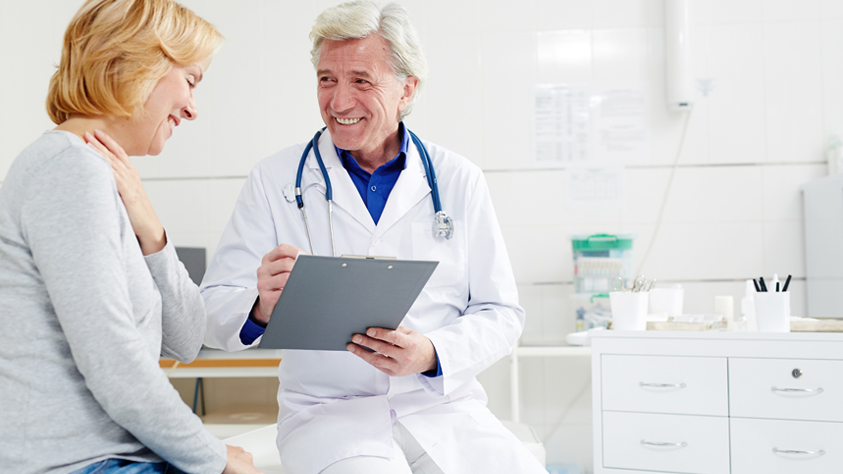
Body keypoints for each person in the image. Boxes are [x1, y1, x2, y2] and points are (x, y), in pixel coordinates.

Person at [200, 1, 547, 473]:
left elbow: (502, 313)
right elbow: (213, 308)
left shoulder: (457, 179)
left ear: (407, 89)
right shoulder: (275, 180)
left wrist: (431, 354)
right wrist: (260, 306)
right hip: (329, 418)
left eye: (361, 81)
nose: (339, 102)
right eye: (327, 79)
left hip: (441, 410)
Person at [0, 1, 262, 473]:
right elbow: (116, 367)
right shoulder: (67, 170)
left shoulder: (99, 176)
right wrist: (214, 457)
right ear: (139, 65)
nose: (193, 109)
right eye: (191, 80)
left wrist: (152, 231)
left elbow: (184, 341)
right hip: (84, 464)